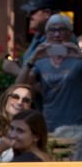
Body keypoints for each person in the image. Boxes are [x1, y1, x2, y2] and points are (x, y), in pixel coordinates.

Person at [17, 13, 82, 158]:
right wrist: (32, 59)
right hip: (49, 126)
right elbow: (19, 87)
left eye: (62, 30)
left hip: (77, 127)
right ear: (46, 34)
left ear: (70, 33)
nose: (57, 34)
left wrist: (78, 55)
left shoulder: (78, 59)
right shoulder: (41, 61)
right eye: (52, 30)